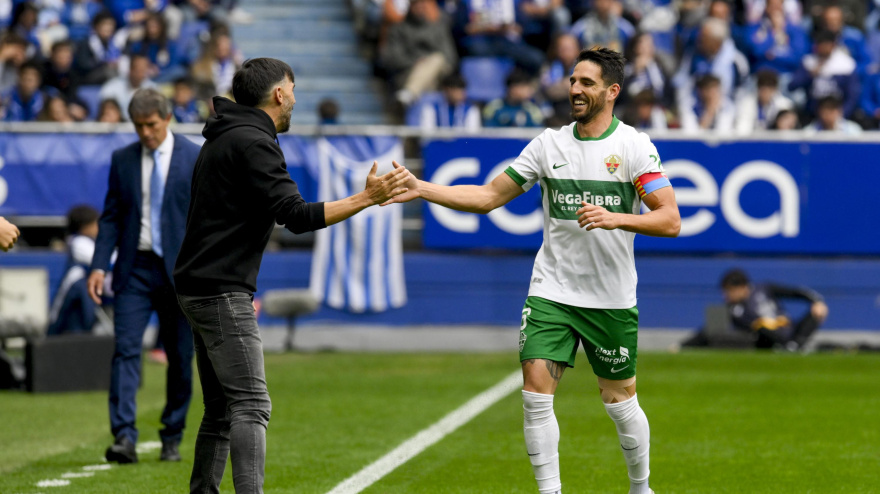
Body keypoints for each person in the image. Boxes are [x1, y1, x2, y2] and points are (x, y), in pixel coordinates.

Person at [385, 47, 680, 494]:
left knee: (619, 400)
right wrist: (422, 187)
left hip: (610, 297)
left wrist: (617, 217)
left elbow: (670, 220)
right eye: (573, 80)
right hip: (552, 290)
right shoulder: (548, 144)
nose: (575, 89)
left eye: (587, 83)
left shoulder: (633, 147)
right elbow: (488, 197)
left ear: (612, 91)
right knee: (535, 390)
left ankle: (640, 488)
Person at [173, 58, 413, 493]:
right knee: (251, 404)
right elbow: (296, 216)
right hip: (220, 290)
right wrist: (366, 198)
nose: (296, 101)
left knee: (222, 409)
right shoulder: (254, 141)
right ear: (279, 93)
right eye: (293, 90)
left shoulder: (225, 135)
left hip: (199, 286)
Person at [87, 88, 201, 464]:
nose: (145, 133)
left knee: (180, 357)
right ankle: (124, 437)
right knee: (125, 350)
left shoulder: (194, 157)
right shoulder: (123, 159)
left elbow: (206, 219)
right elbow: (111, 217)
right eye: (138, 126)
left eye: (151, 124)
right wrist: (99, 265)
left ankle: (172, 435)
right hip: (134, 268)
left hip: (181, 272)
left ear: (167, 118)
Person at [683, 269, 828, 351]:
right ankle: (789, 347)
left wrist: (816, 301)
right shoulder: (731, 308)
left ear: (742, 287)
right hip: (766, 339)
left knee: (817, 310)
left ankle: (794, 345)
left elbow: (794, 292)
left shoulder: (764, 288)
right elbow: (708, 331)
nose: (725, 296)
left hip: (788, 328)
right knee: (759, 325)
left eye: (729, 291)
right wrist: (683, 345)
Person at [379, 0, 458, 107]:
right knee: (429, 81)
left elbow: (450, 56)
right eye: (417, 6)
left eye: (423, 6)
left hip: (440, 72)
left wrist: (428, 62)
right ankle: (415, 102)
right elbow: (391, 58)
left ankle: (409, 93)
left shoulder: (437, 28)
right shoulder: (398, 29)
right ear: (410, 7)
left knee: (437, 59)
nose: (420, 9)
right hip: (409, 72)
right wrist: (415, 62)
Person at [48, 205, 101, 335]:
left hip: (86, 287)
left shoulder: (92, 241)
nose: (98, 227)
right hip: (75, 287)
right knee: (61, 319)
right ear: (84, 226)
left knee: (85, 320)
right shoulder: (78, 241)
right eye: (95, 223)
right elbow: (100, 260)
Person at [98, 54, 157, 122]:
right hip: (117, 126)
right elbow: (105, 111)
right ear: (130, 69)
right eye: (138, 70)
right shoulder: (111, 87)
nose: (141, 74)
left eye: (143, 70)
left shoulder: (153, 89)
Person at [734, 69, 794, 134]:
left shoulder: (784, 105)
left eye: (769, 91)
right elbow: (742, 129)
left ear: (774, 90)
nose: (766, 94)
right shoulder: (747, 104)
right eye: (763, 91)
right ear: (758, 89)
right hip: (754, 138)